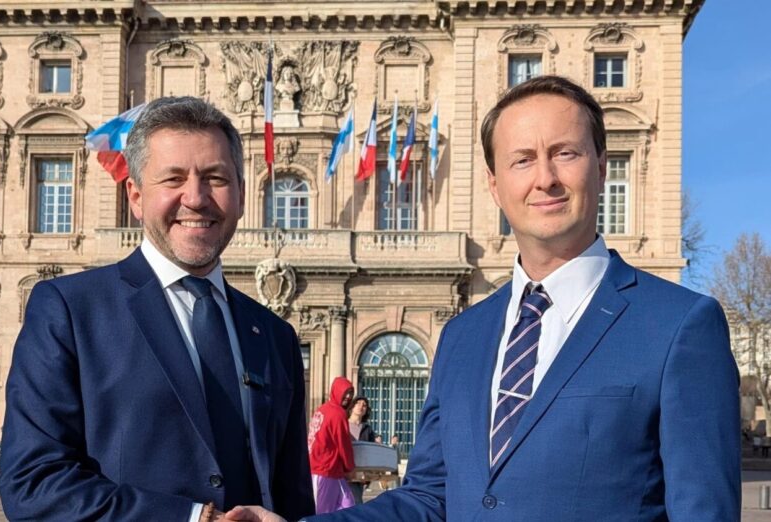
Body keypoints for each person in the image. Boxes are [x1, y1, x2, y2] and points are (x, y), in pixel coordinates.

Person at [227, 75, 741, 521]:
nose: (545, 178)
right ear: (494, 186)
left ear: (603, 167)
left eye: (566, 153)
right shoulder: (463, 335)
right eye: (522, 160)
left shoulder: (678, 327)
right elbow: (430, 498)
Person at [0, 97, 314, 522]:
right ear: (135, 195)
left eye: (215, 178)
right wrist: (192, 518)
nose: (196, 198)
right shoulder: (70, 312)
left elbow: (290, 496)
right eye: (173, 179)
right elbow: (33, 484)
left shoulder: (274, 335)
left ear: (241, 194)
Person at [308, 377, 356, 514]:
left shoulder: (322, 409)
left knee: (348, 508)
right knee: (322, 515)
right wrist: (350, 467)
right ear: (337, 391)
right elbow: (344, 444)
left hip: (331, 471)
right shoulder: (338, 413)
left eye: (351, 393)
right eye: (345, 392)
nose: (348, 396)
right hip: (324, 471)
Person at [346, 397, 376, 504]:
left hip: (358, 476)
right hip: (342, 472)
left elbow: (371, 453)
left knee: (356, 503)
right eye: (358, 403)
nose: (361, 406)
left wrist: (369, 476)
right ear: (352, 406)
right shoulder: (343, 424)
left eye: (364, 405)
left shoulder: (368, 430)